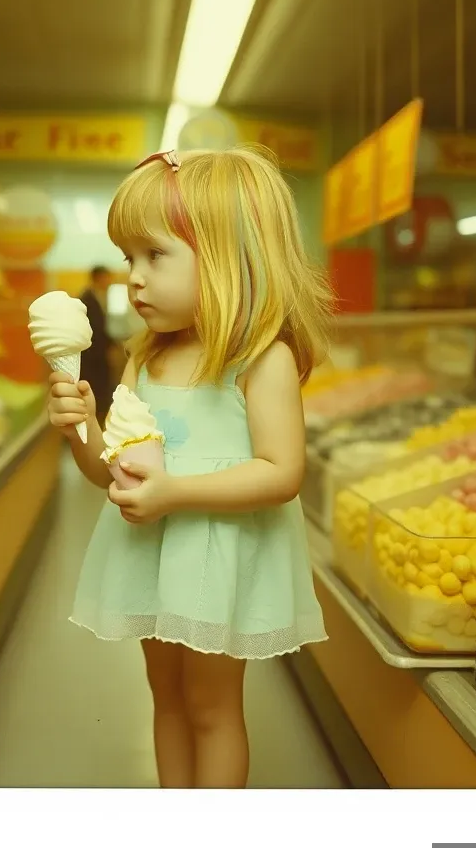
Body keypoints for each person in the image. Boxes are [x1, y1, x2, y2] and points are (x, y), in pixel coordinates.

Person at [46, 146, 334, 789]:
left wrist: (176, 492)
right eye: (129, 259)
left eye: (155, 256)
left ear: (229, 257)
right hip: (152, 554)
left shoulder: (262, 360)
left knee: (211, 706)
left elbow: (282, 472)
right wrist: (81, 428)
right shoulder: (144, 358)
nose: (135, 278)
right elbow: (111, 472)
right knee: (166, 697)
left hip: (214, 560)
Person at [79, 265, 116, 427]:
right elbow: (91, 332)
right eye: (106, 278)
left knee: (101, 395)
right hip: (91, 361)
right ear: (97, 278)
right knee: (93, 395)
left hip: (99, 359)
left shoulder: (100, 298)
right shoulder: (85, 301)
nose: (108, 282)